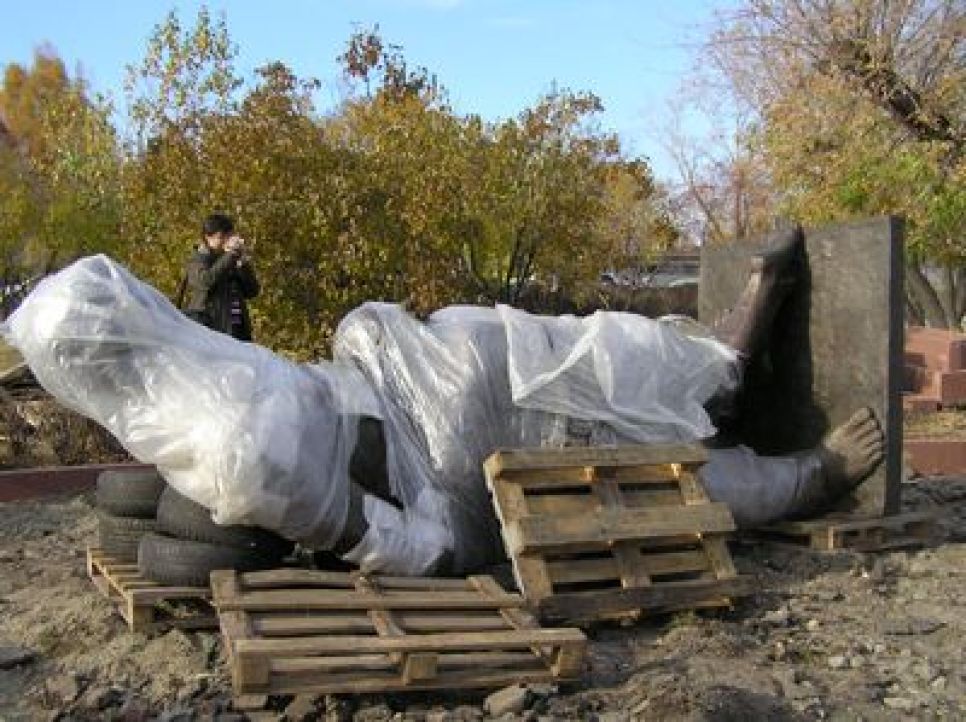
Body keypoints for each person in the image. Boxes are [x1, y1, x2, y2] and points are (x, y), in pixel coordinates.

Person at [2, 227, 885, 577]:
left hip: (427, 428)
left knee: (605, 467)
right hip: (426, 401)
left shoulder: (208, 439)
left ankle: (778, 437)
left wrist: (450, 550)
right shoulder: (216, 394)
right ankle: (734, 379)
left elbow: (366, 532)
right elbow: (358, 511)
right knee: (575, 386)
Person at [183, 213, 259, 341]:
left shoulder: (231, 258)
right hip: (210, 327)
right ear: (208, 237)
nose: (225, 241)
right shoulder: (198, 259)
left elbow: (252, 291)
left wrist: (243, 264)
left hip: (237, 326)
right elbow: (205, 282)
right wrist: (229, 257)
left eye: (229, 236)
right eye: (221, 237)